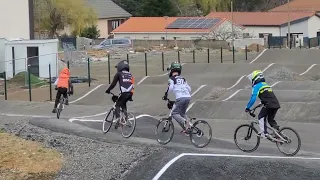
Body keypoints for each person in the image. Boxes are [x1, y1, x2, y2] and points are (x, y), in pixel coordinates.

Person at [245, 70, 280, 139]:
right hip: (276, 104)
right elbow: (268, 96)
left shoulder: (256, 86)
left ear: (255, 78)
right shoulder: (266, 85)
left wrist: (247, 107)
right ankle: (279, 134)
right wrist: (261, 102)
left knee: (261, 117)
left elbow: (253, 98)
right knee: (270, 120)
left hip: (269, 104)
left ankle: (264, 134)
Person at [163, 62, 191, 134]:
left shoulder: (172, 79)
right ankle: (188, 127)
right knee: (182, 113)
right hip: (187, 97)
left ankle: (184, 122)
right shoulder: (183, 79)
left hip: (180, 98)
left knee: (174, 113)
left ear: (171, 71)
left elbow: (171, 88)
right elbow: (189, 89)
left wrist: (166, 95)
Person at [105, 60, 134, 128]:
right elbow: (131, 84)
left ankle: (118, 119)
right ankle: (125, 118)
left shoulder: (119, 74)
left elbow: (113, 84)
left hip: (124, 92)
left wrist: (108, 90)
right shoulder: (130, 75)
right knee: (123, 104)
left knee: (118, 104)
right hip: (130, 93)